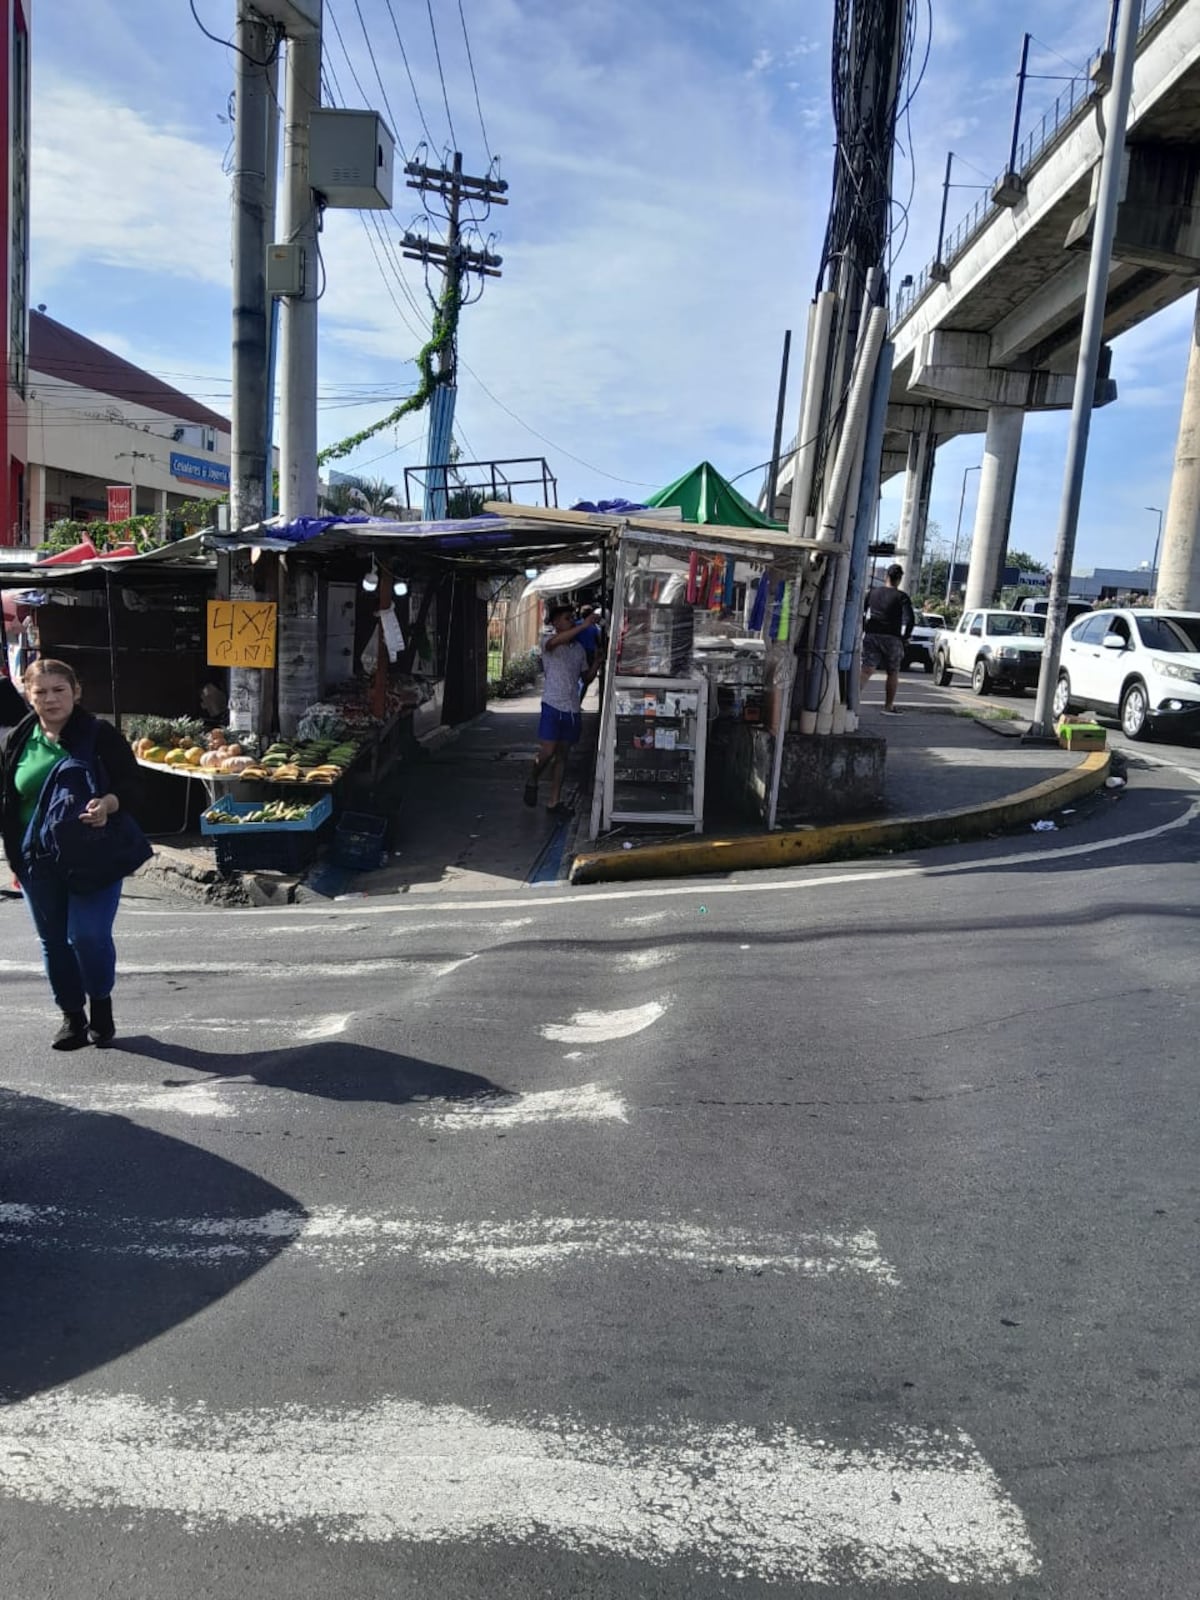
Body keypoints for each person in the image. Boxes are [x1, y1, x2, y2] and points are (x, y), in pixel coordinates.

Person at [0, 659, 143, 1049]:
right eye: (40, 692)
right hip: (36, 859)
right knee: (54, 942)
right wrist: (15, 856)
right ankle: (72, 1016)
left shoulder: (98, 735)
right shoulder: (18, 739)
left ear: (76, 691)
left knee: (87, 935)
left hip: (93, 852)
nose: (50, 699)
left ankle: (100, 1002)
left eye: (59, 690)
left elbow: (134, 786)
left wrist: (107, 805)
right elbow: (9, 800)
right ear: (29, 697)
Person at [524, 602, 592, 818]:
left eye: (572, 618)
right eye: (566, 618)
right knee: (548, 752)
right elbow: (557, 641)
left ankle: (554, 801)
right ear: (555, 623)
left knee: (562, 756)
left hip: (571, 708)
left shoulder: (578, 650)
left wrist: (598, 662)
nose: (571, 621)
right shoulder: (548, 642)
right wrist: (584, 626)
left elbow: (586, 677)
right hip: (552, 705)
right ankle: (533, 777)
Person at [860, 563, 915, 716]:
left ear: (886, 576)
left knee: (866, 670)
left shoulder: (872, 593)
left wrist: (865, 628)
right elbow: (909, 619)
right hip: (892, 637)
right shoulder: (902, 597)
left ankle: (851, 701)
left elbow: (862, 612)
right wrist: (905, 637)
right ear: (900, 579)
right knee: (892, 672)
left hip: (872, 634)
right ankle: (888, 706)